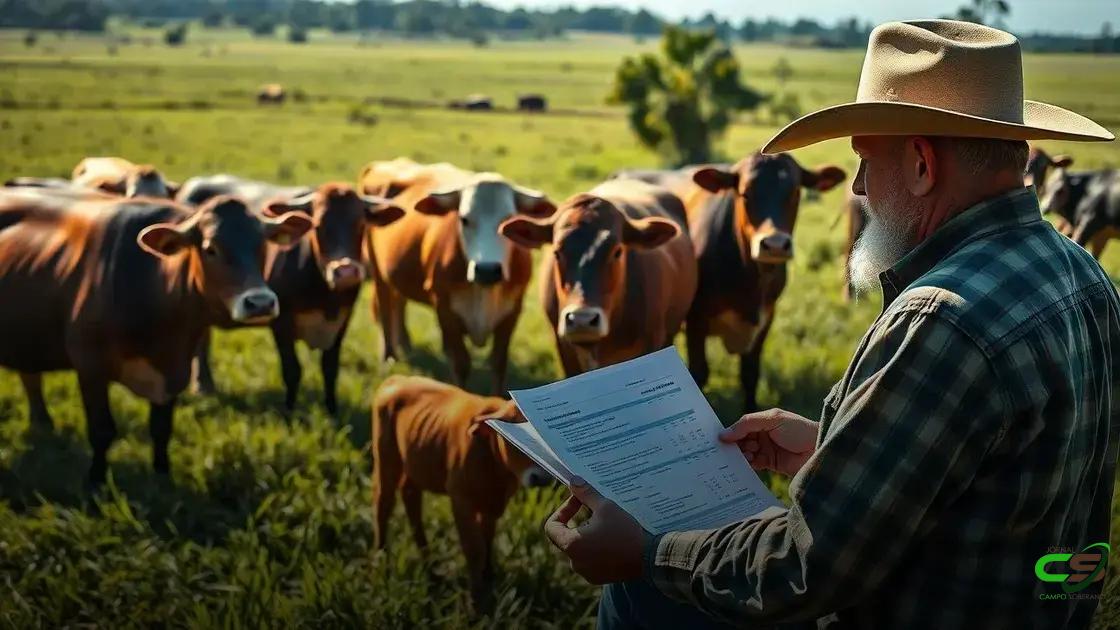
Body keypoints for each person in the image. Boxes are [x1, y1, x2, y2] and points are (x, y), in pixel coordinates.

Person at [544, 19, 1118, 629]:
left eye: (866, 162)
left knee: (640, 596)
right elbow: (998, 478)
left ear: (922, 164)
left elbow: (807, 568)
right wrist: (833, 449)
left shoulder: (941, 320)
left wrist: (648, 553)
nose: (861, 188)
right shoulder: (1083, 273)